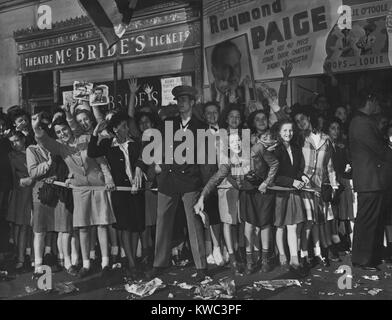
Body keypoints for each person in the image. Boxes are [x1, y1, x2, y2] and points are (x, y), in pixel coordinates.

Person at [32, 115, 116, 278]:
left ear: (70, 128)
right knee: (83, 227)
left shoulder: (85, 139)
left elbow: (101, 160)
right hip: (80, 189)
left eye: (64, 129)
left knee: (102, 225)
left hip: (98, 185)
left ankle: (105, 262)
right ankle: (86, 264)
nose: (62, 133)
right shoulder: (60, 147)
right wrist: (36, 128)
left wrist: (109, 178)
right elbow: (45, 142)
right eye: (58, 132)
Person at [147, 85, 208, 282]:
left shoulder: (201, 127)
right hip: (168, 180)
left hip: (190, 181)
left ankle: (201, 267)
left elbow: (202, 157)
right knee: (162, 222)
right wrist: (157, 166)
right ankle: (159, 263)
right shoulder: (168, 123)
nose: (180, 103)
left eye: (184, 100)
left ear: (192, 102)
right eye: (178, 100)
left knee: (194, 223)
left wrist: (201, 184)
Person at [88, 112, 146, 279]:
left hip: (136, 190)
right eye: (123, 127)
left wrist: (139, 171)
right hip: (120, 192)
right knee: (124, 226)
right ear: (114, 129)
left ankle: (133, 258)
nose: (127, 129)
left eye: (127, 126)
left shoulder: (135, 143)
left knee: (135, 226)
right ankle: (131, 263)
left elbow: (144, 159)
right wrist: (95, 133)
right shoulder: (108, 143)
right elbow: (92, 152)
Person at [349, 91, 392, 271]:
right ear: (369, 101)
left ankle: (370, 257)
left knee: (372, 220)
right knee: (367, 221)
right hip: (370, 181)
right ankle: (362, 259)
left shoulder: (360, 121)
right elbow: (380, 149)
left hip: (372, 181)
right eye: (376, 102)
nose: (377, 106)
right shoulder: (362, 122)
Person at [292, 105, 339, 268]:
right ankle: (304, 255)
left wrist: (333, 185)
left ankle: (318, 253)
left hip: (320, 186)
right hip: (304, 186)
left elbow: (330, 164)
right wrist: (300, 177)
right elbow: (295, 163)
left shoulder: (326, 139)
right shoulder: (298, 138)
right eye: (297, 121)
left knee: (318, 221)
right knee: (308, 221)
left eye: (302, 119)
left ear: (309, 118)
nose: (300, 123)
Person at [272, 120, 307, 276]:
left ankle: (294, 260)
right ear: (279, 132)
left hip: (293, 192)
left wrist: (303, 177)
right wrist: (293, 181)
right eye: (285, 130)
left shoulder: (296, 148)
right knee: (280, 226)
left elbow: (298, 169)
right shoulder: (275, 150)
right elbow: (274, 176)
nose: (288, 133)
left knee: (293, 226)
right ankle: (282, 256)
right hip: (279, 192)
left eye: (291, 130)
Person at [200, 102, 225, 266]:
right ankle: (214, 248)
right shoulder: (200, 134)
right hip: (209, 179)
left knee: (227, 217)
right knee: (211, 215)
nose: (212, 115)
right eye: (208, 113)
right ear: (204, 116)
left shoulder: (226, 131)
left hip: (227, 178)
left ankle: (226, 249)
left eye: (215, 112)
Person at [6, 130, 33, 271]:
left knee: (33, 227)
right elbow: (12, 177)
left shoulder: (33, 151)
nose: (14, 144)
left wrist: (31, 179)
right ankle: (21, 258)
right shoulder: (11, 156)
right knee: (21, 226)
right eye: (11, 142)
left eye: (16, 140)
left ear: (23, 139)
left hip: (35, 191)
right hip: (21, 194)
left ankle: (33, 258)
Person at [0, 113, 12, 269]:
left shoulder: (6, 143)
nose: (1, 128)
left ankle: (2, 253)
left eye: (2, 125)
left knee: (2, 219)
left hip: (4, 187)